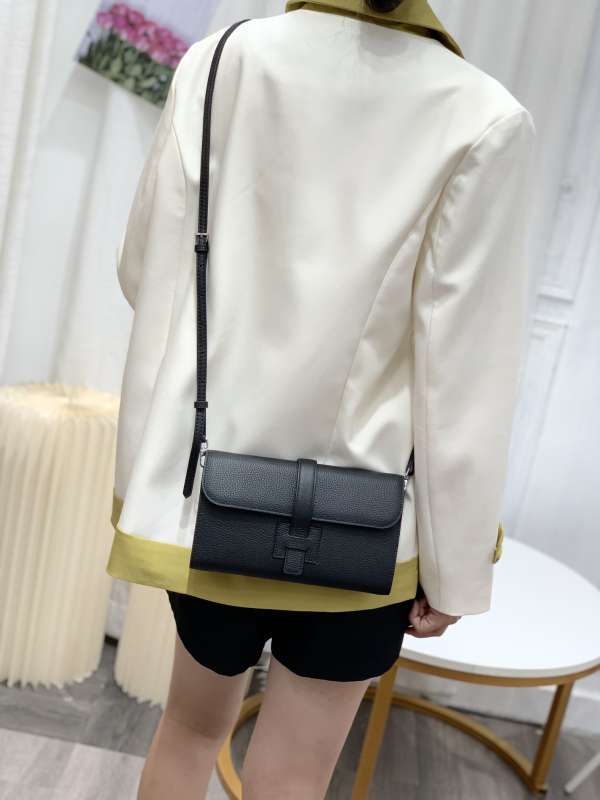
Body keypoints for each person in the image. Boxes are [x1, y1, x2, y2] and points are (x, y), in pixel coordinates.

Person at [105, 1, 536, 797]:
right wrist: (457, 566)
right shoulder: (484, 116)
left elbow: (144, 268)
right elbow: (465, 371)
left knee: (189, 732)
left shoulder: (222, 61)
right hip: (363, 529)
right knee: (294, 780)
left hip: (217, 495)